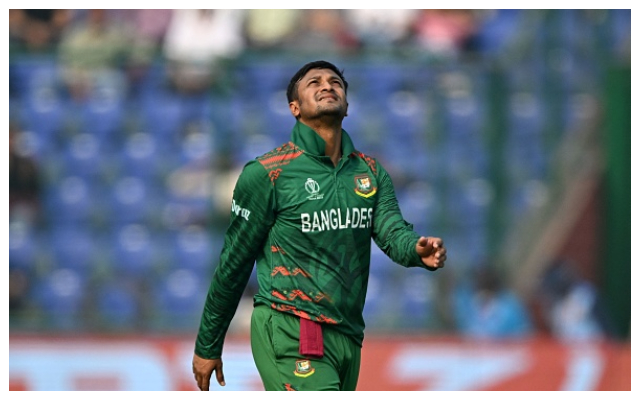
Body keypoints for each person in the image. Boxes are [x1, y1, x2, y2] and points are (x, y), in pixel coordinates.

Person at [192, 60, 447, 391]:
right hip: (291, 325)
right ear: (295, 108)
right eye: (314, 82)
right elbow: (234, 263)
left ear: (347, 106)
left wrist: (415, 249)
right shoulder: (267, 174)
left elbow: (391, 232)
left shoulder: (370, 172)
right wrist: (209, 344)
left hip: (348, 334)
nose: (327, 85)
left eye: (335, 82)